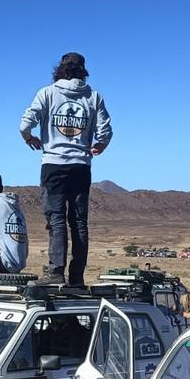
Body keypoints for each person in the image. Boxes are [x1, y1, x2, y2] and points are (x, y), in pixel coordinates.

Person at [20, 51, 112, 287]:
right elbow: (106, 130)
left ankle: (56, 271)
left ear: (60, 70)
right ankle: (77, 277)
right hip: (81, 165)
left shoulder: (47, 93)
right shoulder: (93, 96)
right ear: (83, 71)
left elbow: (25, 123)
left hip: (54, 164)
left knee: (57, 218)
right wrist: (99, 146)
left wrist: (29, 137)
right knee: (79, 222)